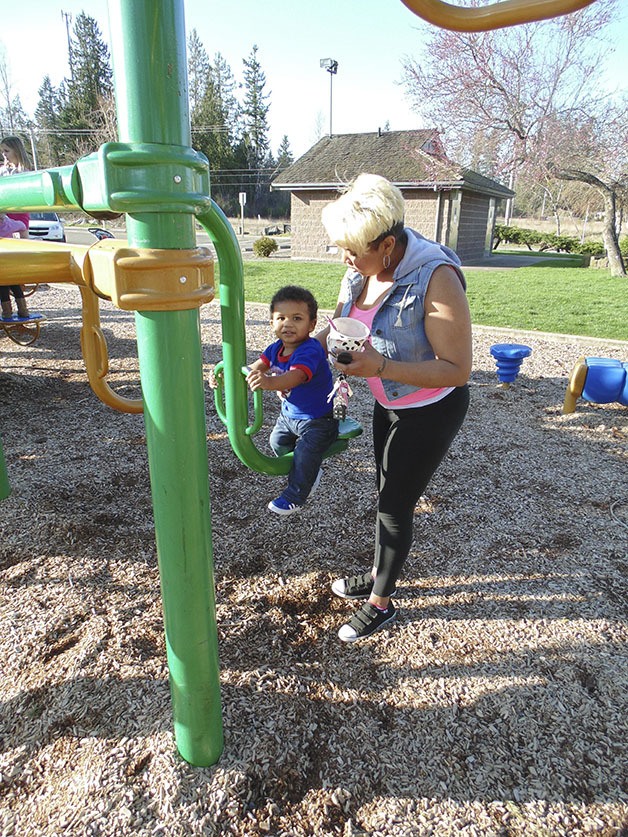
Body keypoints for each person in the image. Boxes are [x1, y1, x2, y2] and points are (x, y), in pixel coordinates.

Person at [319, 173, 472, 643]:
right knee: (385, 494)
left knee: (393, 506)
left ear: (387, 244)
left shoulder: (436, 279)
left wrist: (380, 365)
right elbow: (339, 326)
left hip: (430, 408)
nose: (344, 258)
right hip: (388, 401)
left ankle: (380, 603)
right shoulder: (359, 269)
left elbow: (457, 369)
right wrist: (289, 351)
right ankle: (378, 571)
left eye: (352, 250)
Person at [245, 285, 339, 515]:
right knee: (277, 442)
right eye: (281, 318)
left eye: (297, 318)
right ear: (271, 323)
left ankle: (296, 495)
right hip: (288, 415)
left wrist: (268, 383)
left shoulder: (310, 350)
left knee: (306, 452)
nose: (288, 324)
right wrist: (227, 376)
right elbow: (254, 368)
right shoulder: (275, 348)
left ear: (312, 324)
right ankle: (309, 471)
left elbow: (295, 376)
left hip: (318, 420)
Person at [1, 136, 32, 319]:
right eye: (2, 152)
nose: (4, 156)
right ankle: (10, 307)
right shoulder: (5, 171)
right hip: (6, 215)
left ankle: (23, 274)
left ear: (16, 151)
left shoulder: (24, 171)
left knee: (20, 248)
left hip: (18, 215)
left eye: (7, 151)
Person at [0, 213, 30, 319]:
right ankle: (23, 310)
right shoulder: (9, 224)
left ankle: (7, 312)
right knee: (16, 286)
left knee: (3, 287)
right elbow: (22, 226)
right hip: (9, 260)